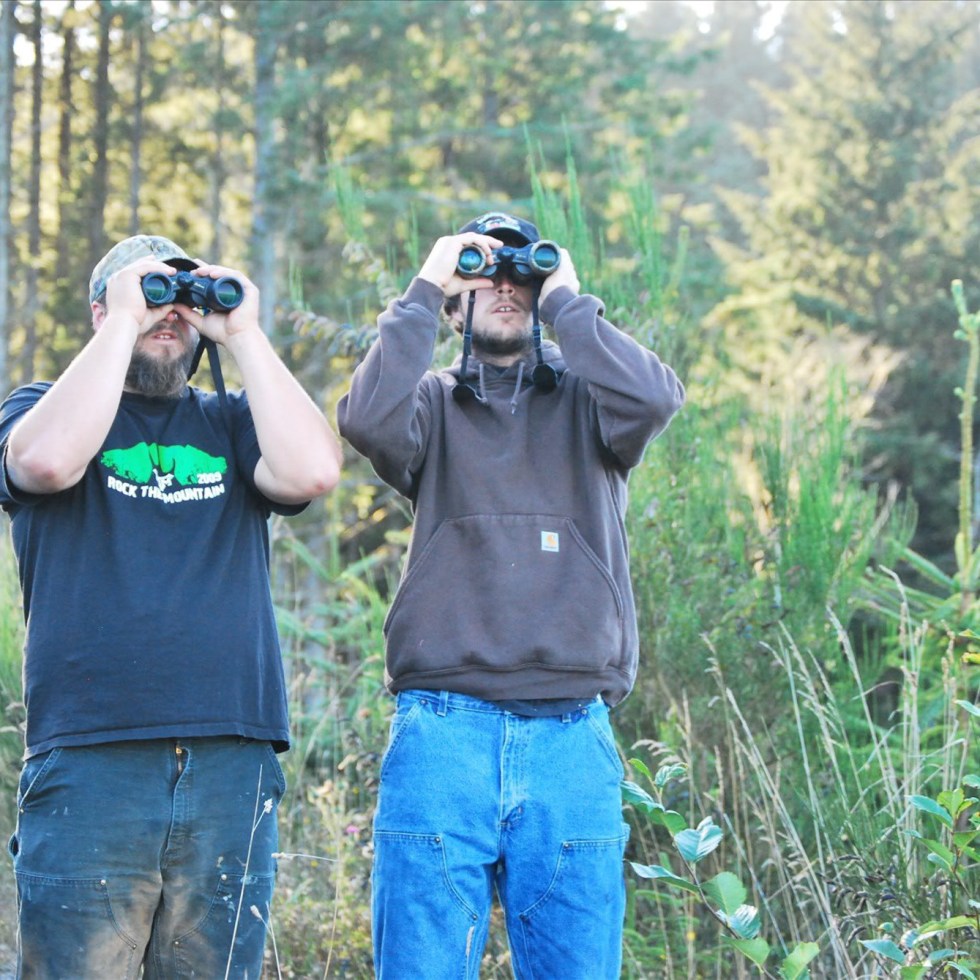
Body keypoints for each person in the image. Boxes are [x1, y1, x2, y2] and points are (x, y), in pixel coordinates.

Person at [337, 211, 684, 978]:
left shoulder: (592, 405)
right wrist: (425, 286)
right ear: (454, 305)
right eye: (481, 270)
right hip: (441, 734)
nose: (503, 284)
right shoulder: (430, 405)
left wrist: (566, 301)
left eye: (521, 271)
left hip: (571, 735)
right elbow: (366, 419)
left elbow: (656, 400)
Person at [0, 234, 342, 979]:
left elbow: (313, 471)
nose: (169, 313)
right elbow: (45, 463)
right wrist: (129, 317)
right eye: (149, 294)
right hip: (93, 758)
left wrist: (243, 333)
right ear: (100, 311)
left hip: (232, 758)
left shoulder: (233, 421)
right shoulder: (36, 409)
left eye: (182, 302)